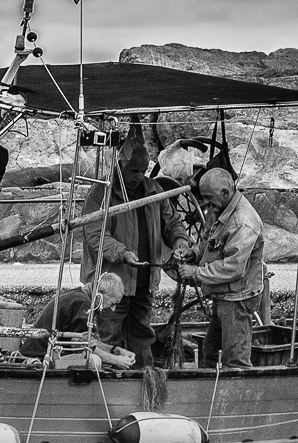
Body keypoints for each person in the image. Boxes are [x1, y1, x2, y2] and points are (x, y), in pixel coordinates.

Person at [80, 144, 191, 368]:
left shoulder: (155, 190)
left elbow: (172, 223)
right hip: (111, 285)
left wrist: (180, 241)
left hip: (143, 283)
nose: (139, 176)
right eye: (133, 171)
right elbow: (95, 235)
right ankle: (107, 383)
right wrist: (122, 253)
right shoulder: (101, 193)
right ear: (120, 165)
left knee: (142, 335)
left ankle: (143, 379)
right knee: (107, 336)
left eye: (142, 170)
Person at [176, 167, 265, 368]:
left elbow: (232, 267)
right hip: (224, 295)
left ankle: (236, 394)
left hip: (238, 298)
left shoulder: (243, 222)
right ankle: (207, 392)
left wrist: (196, 273)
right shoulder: (220, 210)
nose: (205, 202)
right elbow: (211, 243)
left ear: (225, 192)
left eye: (208, 197)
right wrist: (194, 253)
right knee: (209, 351)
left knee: (235, 359)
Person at [19, 272, 136, 369]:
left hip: (43, 353)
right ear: (101, 293)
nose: (113, 309)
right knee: (94, 360)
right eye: (112, 303)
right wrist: (116, 360)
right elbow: (82, 347)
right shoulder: (83, 303)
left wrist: (114, 350)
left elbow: (88, 341)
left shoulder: (79, 296)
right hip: (41, 358)